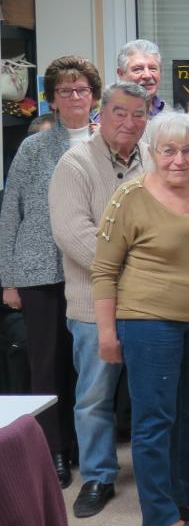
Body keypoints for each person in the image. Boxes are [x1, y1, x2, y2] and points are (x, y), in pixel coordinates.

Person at [90, 112, 189, 526]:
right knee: (154, 420)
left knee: (187, 413)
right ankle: (160, 520)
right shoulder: (129, 198)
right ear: (151, 151)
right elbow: (103, 271)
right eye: (168, 150)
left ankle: (184, 494)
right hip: (148, 321)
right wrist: (107, 334)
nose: (179, 160)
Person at [49, 82, 150, 519]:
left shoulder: (155, 158)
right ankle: (97, 475)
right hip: (93, 303)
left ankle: (153, 473)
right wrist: (134, 271)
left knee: (150, 394)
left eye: (139, 114)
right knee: (94, 396)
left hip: (149, 305)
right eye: (120, 112)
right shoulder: (74, 164)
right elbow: (73, 233)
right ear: (101, 114)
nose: (129, 122)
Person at [0, 55, 101, 488]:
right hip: (38, 270)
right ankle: (53, 451)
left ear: (94, 96)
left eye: (81, 89)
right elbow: (11, 212)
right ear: (53, 100)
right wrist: (8, 278)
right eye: (65, 90)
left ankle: (84, 445)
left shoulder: (106, 143)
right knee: (46, 364)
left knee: (89, 365)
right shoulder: (34, 147)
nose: (74, 96)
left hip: (90, 268)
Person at [113, 39, 165, 118]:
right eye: (138, 69)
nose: (147, 75)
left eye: (153, 68)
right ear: (121, 74)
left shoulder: (169, 114)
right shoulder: (108, 118)